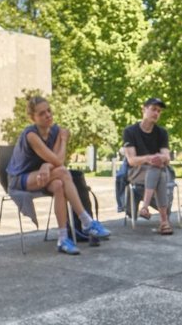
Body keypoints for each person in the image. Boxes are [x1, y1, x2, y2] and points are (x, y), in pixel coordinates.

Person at [6, 95, 111, 254]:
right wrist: (63, 140)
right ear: (32, 117)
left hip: (45, 175)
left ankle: (63, 239)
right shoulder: (31, 135)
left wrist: (46, 166)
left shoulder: (54, 131)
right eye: (41, 113)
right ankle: (86, 221)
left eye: (49, 111)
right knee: (62, 172)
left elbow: (54, 159)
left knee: (59, 185)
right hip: (20, 178)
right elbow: (59, 161)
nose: (48, 115)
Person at [122, 97, 174, 235]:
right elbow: (132, 160)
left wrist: (160, 158)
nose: (156, 113)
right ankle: (164, 221)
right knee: (159, 172)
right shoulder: (130, 131)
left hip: (156, 171)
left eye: (159, 111)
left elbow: (167, 158)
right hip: (136, 171)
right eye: (153, 109)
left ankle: (145, 208)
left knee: (159, 172)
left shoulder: (162, 132)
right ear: (144, 109)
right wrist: (148, 158)